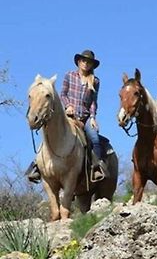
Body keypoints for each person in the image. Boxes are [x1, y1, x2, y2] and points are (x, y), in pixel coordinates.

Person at [27, 49, 107, 183]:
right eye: (83, 60)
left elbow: (93, 102)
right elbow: (63, 94)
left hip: (85, 118)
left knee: (94, 137)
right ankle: (37, 165)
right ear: (78, 62)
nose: (86, 64)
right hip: (68, 116)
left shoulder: (95, 81)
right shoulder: (69, 75)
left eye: (89, 62)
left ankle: (96, 167)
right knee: (51, 134)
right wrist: (68, 105)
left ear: (92, 65)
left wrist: (93, 117)